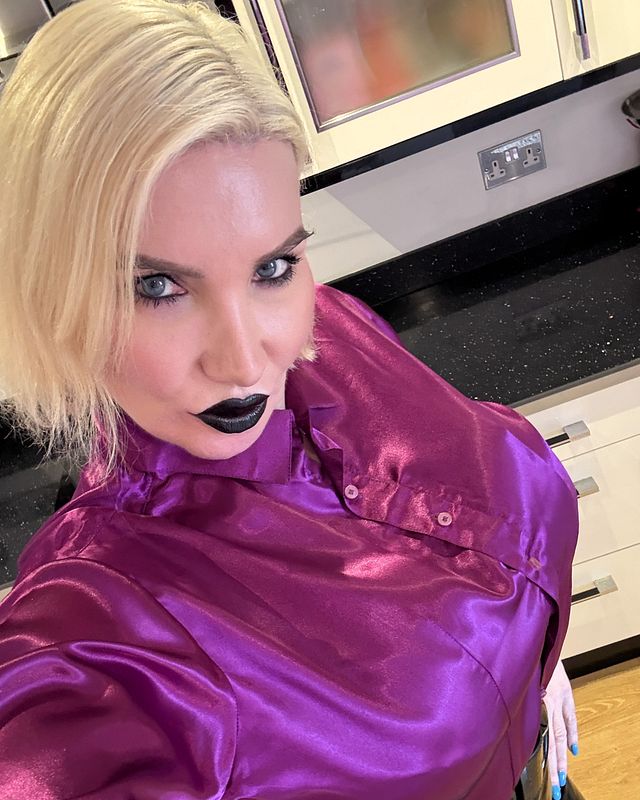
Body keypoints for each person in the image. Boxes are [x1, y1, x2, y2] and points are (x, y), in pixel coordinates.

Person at [0, 2, 583, 798]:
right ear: (52, 297)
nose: (246, 359)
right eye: (157, 287)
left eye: (271, 267)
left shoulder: (330, 330)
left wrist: (535, 656)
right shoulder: (98, 630)